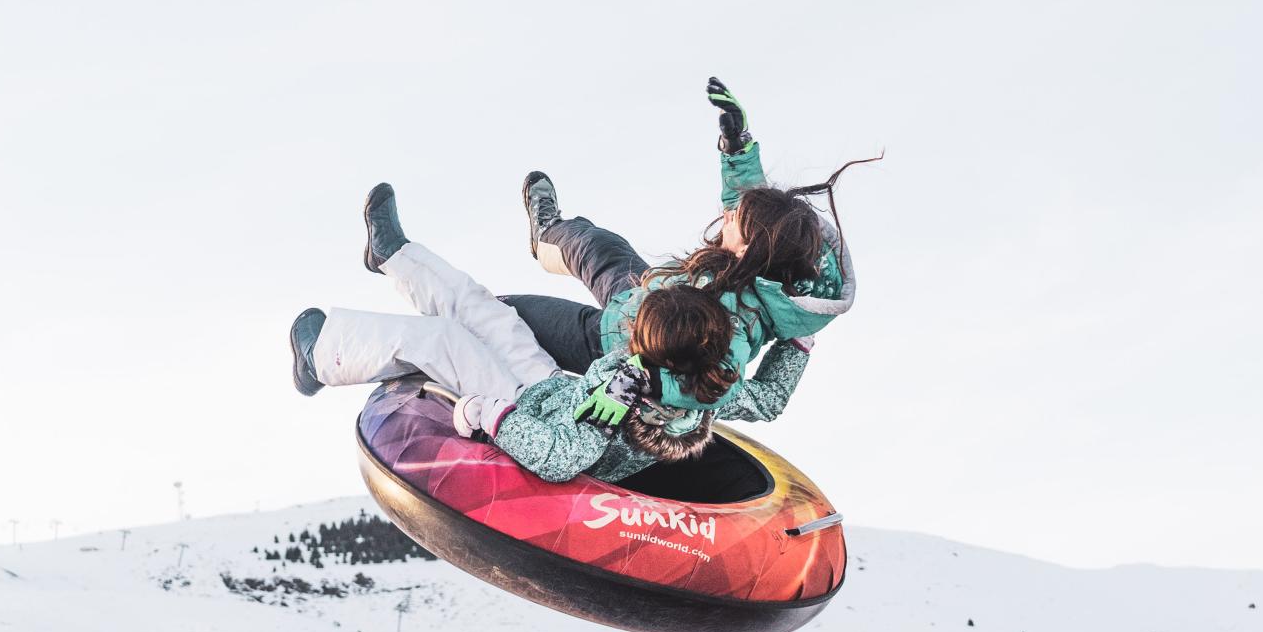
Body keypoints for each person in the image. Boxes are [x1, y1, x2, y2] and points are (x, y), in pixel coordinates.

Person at [289, 184, 733, 484]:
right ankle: (394, 256)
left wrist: (491, 415)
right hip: (548, 386)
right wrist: (800, 336)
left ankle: (322, 359)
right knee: (487, 313)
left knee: (446, 341)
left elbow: (561, 458)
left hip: (523, 410)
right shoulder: (698, 377)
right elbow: (769, 397)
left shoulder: (624, 401)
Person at [504, 76, 874, 422]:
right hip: (639, 292)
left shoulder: (735, 326)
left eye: (735, 220)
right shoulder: (758, 259)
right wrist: (738, 145)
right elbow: (747, 198)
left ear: (749, 250)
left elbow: (714, 387)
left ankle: (481, 373)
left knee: (508, 313)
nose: (727, 218)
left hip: (613, 345)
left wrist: (643, 380)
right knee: (601, 245)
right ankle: (548, 234)